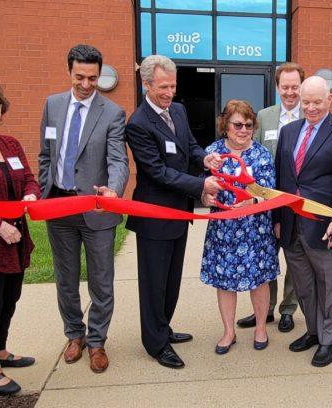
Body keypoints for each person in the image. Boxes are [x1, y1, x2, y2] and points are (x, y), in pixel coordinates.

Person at [125, 55, 222, 369]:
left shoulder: (177, 110)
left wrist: (205, 159)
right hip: (155, 215)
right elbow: (157, 172)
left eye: (173, 86)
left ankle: (163, 327)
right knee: (154, 283)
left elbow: (190, 145)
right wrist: (200, 185)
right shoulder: (138, 124)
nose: (169, 92)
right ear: (147, 84)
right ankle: (155, 344)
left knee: (171, 280)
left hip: (178, 213)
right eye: (163, 87)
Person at [38, 44, 129, 373]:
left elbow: (118, 160)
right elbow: (46, 154)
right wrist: (41, 189)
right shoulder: (52, 105)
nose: (87, 84)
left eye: (93, 77)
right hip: (59, 206)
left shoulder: (112, 112)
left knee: (101, 282)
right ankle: (74, 335)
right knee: (66, 278)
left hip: (97, 210)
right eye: (80, 77)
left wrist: (113, 191)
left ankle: (98, 341)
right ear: (69, 73)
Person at [274, 76, 332, 367]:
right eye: (306, 101)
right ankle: (313, 331)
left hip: (325, 227)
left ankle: (327, 340)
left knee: (328, 286)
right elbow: (281, 179)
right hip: (291, 224)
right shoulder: (288, 132)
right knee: (304, 286)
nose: (310, 107)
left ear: (329, 100)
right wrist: (277, 219)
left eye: (316, 102)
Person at [0, 76, 40, 395]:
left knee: (9, 300)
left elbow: (29, 177)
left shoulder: (10, 144)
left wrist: (30, 195)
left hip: (16, 240)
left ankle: (0, 350)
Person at [201, 99, 279, 354]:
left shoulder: (261, 154)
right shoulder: (212, 153)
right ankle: (228, 331)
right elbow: (202, 186)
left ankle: (260, 327)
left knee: (259, 280)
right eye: (238, 124)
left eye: (248, 124)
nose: (243, 129)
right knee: (224, 282)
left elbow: (269, 193)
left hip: (255, 229)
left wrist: (251, 202)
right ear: (225, 125)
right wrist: (206, 197)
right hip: (223, 230)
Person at [237, 62, 304, 333]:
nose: (290, 92)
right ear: (277, 87)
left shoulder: (309, 117)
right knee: (265, 257)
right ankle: (264, 311)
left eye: (295, 87)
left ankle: (288, 309)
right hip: (264, 203)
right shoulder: (263, 117)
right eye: (285, 87)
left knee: (295, 258)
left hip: (295, 201)